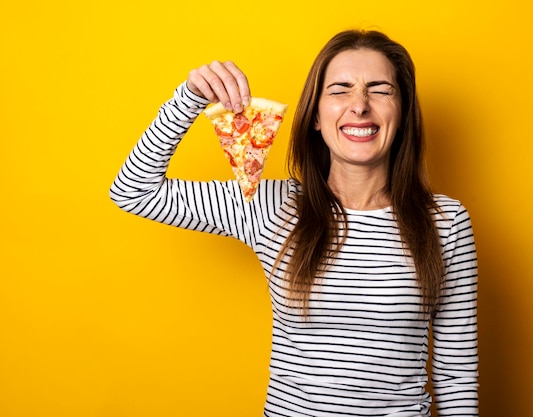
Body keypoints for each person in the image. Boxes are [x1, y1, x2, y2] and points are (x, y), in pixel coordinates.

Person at [110, 29, 478, 417]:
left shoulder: (446, 222)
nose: (359, 105)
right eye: (340, 90)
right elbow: (133, 191)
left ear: (402, 114)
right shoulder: (269, 206)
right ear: (316, 117)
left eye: (380, 90)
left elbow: (456, 376)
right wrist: (188, 99)